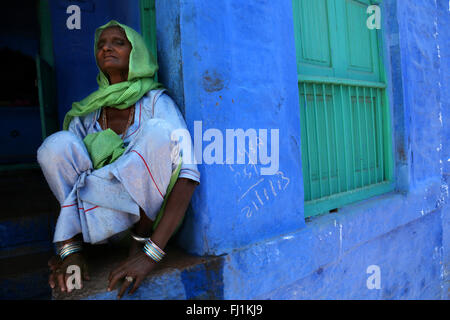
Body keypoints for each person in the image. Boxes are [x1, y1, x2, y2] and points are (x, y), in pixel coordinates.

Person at [37, 20, 199, 299]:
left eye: (118, 42)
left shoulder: (155, 102)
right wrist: (67, 251)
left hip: (144, 226)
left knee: (160, 133)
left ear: (136, 53)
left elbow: (187, 175)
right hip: (95, 224)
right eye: (101, 44)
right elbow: (63, 179)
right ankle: (77, 251)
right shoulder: (87, 114)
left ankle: (137, 241)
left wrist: (150, 255)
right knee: (54, 145)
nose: (107, 48)